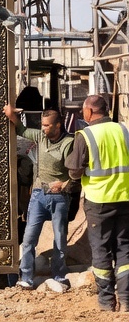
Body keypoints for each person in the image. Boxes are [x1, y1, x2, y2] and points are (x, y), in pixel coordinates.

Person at [66, 94, 129, 311]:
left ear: (89, 111)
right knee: (124, 248)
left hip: (99, 201)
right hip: (125, 197)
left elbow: (74, 171)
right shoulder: (123, 130)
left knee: (101, 250)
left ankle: (106, 302)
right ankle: (126, 301)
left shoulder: (86, 135)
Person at [3, 103, 75, 290]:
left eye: (47, 125)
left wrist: (64, 184)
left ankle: (59, 276)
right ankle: (26, 277)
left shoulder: (69, 143)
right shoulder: (40, 137)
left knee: (60, 238)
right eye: (42, 125)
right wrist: (10, 113)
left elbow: (76, 171)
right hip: (38, 195)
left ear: (58, 125)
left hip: (60, 197)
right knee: (29, 238)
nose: (43, 129)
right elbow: (21, 129)